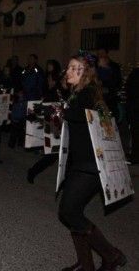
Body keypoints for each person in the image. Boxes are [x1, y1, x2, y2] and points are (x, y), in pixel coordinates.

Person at [57, 53, 127, 271]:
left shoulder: (87, 94)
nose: (68, 71)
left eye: (74, 68)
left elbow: (76, 114)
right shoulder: (78, 94)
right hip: (80, 162)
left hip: (90, 166)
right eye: (68, 67)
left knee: (69, 211)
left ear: (85, 73)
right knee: (73, 212)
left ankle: (111, 254)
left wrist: (60, 112)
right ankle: (85, 264)